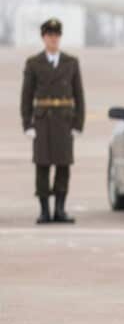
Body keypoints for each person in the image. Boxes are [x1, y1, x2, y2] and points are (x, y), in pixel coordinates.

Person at [21, 18, 84, 225]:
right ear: (43, 38)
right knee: (42, 166)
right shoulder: (34, 63)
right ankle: (44, 211)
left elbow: (79, 95)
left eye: (56, 36)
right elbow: (26, 96)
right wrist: (27, 124)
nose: (53, 39)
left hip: (64, 121)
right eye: (50, 36)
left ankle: (60, 210)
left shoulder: (71, 62)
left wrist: (78, 124)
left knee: (63, 166)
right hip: (43, 121)